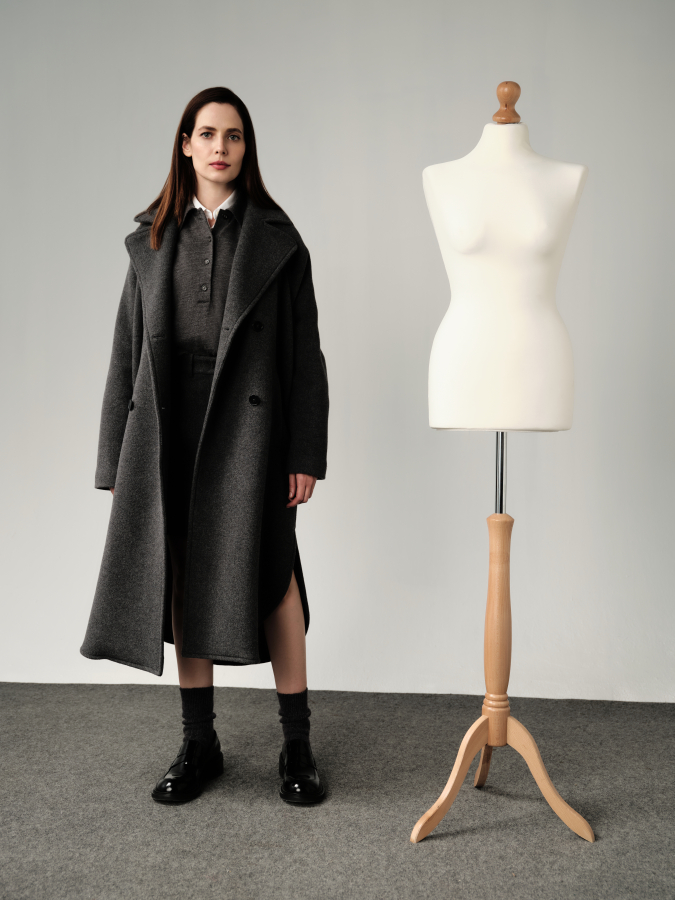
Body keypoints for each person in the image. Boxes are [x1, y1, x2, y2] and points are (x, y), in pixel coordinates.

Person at [80, 86, 329, 806]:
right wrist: (114, 456)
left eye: (235, 136)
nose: (221, 147)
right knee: (184, 573)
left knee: (275, 574)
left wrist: (305, 453)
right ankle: (200, 743)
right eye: (208, 134)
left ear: (246, 150)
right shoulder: (152, 239)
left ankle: (297, 742)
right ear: (186, 145)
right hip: (170, 424)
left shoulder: (279, 240)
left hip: (253, 430)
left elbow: (306, 358)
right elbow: (125, 352)